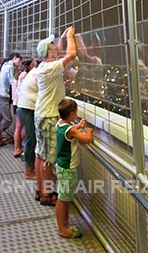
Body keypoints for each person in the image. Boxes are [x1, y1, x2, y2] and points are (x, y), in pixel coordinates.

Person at [35, 26, 76, 205]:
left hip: (42, 113)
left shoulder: (46, 65)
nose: (56, 48)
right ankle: (47, 194)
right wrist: (71, 37)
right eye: (52, 47)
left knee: (40, 154)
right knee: (48, 159)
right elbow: (71, 55)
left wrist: (63, 38)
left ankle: (40, 189)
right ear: (49, 53)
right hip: (50, 116)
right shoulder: (49, 68)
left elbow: (60, 51)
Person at [55, 98, 93, 238]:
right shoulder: (70, 129)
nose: (77, 114)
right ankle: (62, 228)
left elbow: (69, 130)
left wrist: (77, 126)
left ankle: (64, 224)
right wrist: (88, 130)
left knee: (64, 197)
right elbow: (86, 139)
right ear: (72, 114)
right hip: (68, 170)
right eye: (76, 112)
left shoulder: (60, 124)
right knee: (63, 199)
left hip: (61, 166)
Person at [16, 59, 39, 179]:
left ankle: (31, 166)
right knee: (32, 139)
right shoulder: (37, 74)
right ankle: (28, 171)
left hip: (26, 107)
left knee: (31, 137)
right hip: (27, 108)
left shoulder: (33, 72)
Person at [0, 52, 21, 148]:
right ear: (15, 58)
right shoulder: (10, 67)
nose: (19, 62)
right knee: (8, 119)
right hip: (3, 96)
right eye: (19, 60)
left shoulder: (5, 65)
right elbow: (12, 81)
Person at [12, 59, 33, 158]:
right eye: (32, 64)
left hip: (18, 102)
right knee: (22, 127)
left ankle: (17, 148)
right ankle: (19, 148)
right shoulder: (25, 75)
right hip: (22, 103)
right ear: (28, 65)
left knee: (18, 127)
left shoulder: (20, 74)